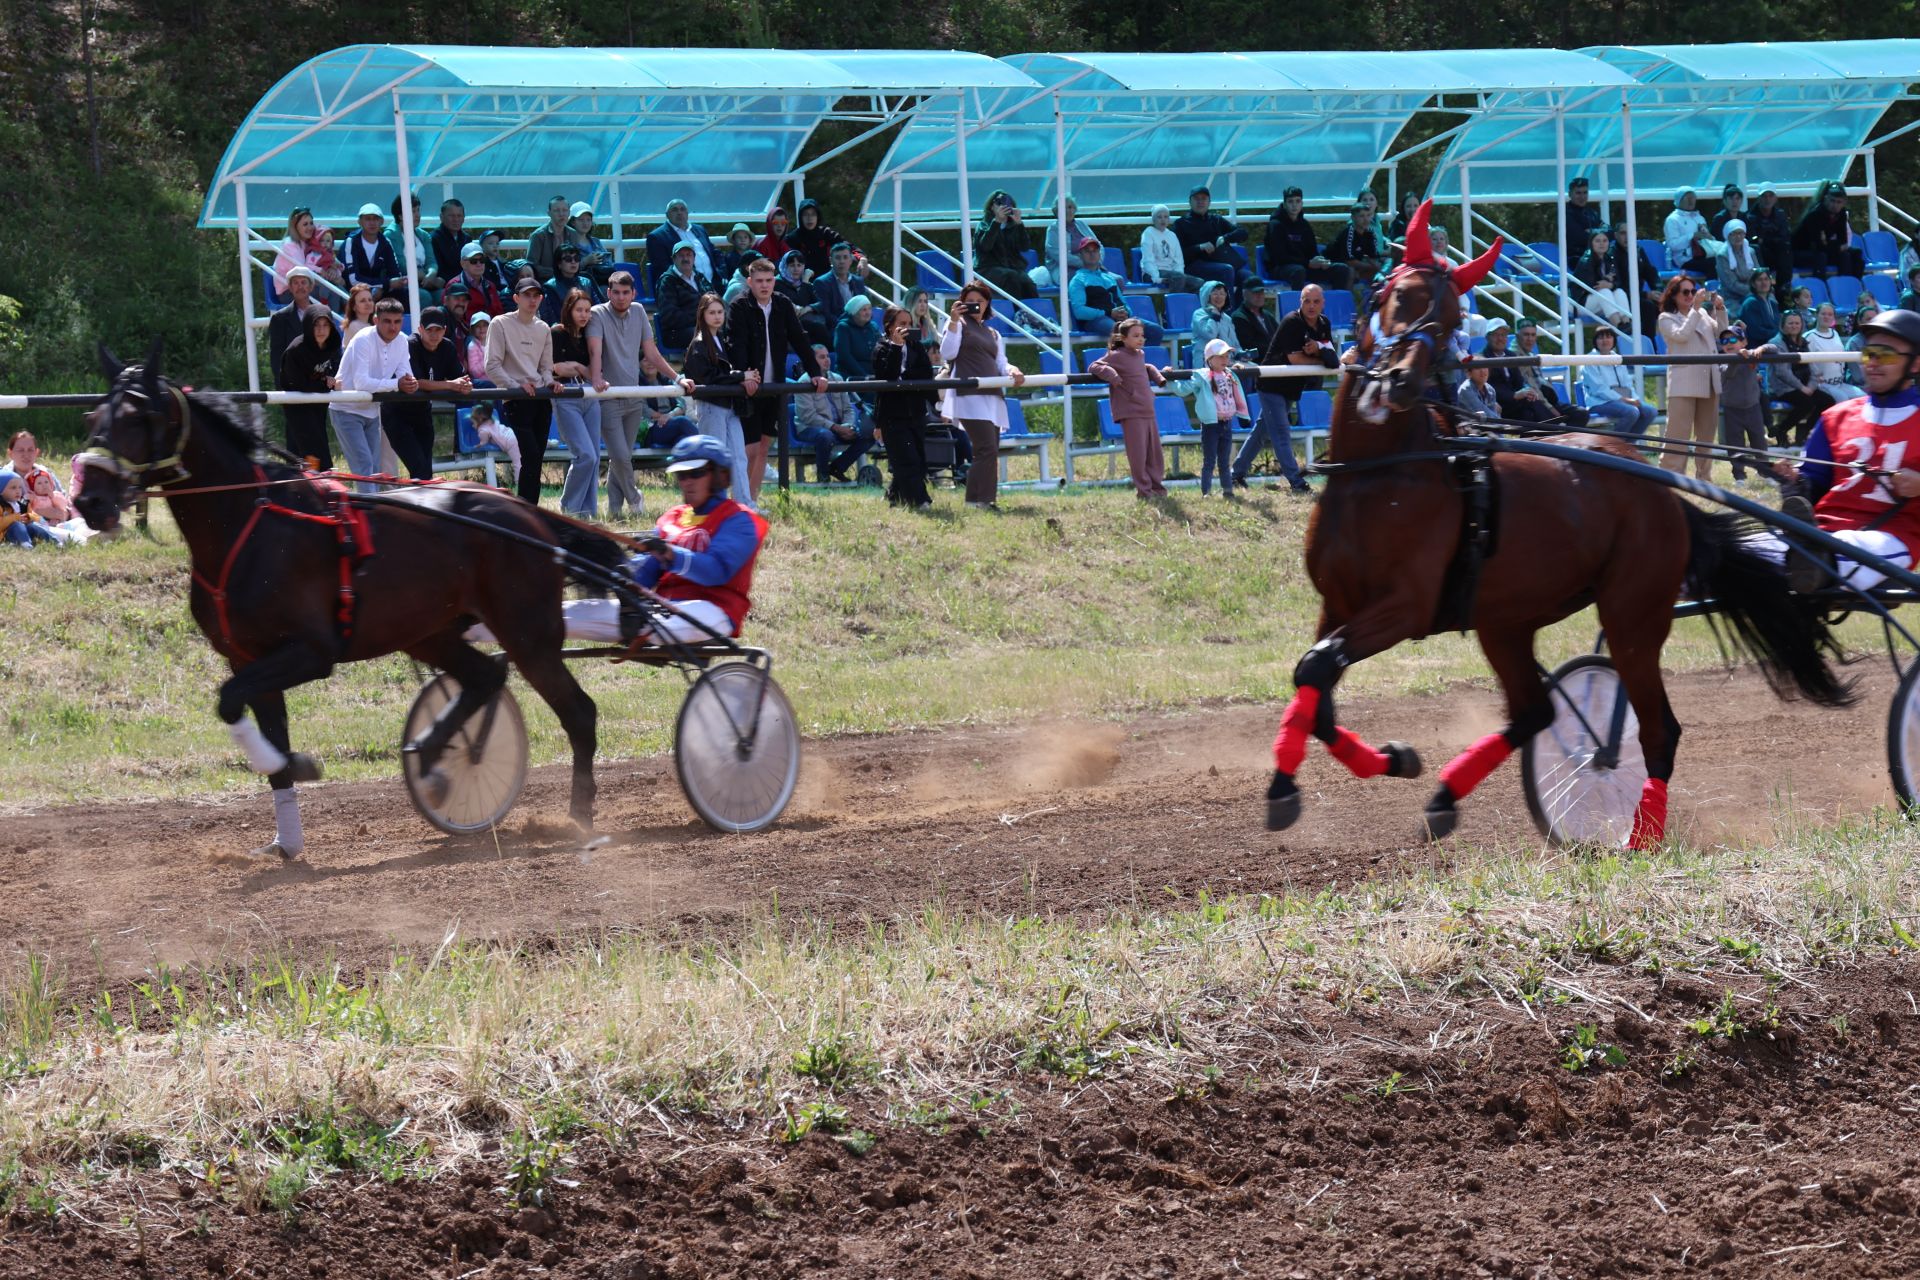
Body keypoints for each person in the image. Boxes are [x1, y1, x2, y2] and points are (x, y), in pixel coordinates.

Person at [555, 435, 769, 649]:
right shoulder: (671, 518)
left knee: (646, 625)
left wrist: (669, 553)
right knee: (556, 616)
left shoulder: (739, 520)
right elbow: (643, 576)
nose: (687, 481)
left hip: (714, 610)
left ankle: (639, 628)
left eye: (695, 473)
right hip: (661, 608)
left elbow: (716, 570)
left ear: (720, 476)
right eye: (681, 475)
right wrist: (616, 569)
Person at [1762, 309, 1920, 591]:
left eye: (1887, 355)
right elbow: (1816, 482)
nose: (1873, 363)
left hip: (1890, 536)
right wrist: (1795, 482)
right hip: (1820, 529)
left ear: (1916, 363)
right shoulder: (1835, 417)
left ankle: (1808, 562)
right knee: (1739, 549)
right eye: (1869, 354)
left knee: (1833, 553)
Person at [728, 257, 829, 501]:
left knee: (764, 447)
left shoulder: (783, 304)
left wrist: (816, 372)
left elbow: (800, 340)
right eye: (759, 281)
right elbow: (736, 344)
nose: (764, 285)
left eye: (769, 280)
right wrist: (744, 376)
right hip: (749, 388)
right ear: (749, 281)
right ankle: (739, 501)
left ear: (775, 280)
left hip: (775, 388)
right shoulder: (739, 305)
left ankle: (751, 500)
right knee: (749, 449)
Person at [588, 269, 680, 522]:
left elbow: (651, 352)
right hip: (607, 395)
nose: (620, 297)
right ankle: (635, 498)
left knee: (622, 458)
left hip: (633, 395)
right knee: (618, 456)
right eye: (615, 292)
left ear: (633, 293)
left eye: (625, 292)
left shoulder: (639, 311)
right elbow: (595, 350)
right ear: (608, 293)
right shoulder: (597, 313)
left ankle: (615, 512)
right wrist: (596, 377)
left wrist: (677, 378)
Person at [939, 281, 1027, 511]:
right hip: (968, 395)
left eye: (979, 301)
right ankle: (982, 501)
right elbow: (947, 352)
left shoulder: (994, 333)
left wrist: (1012, 370)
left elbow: (1001, 362)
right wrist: (955, 321)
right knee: (986, 447)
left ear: (987, 303)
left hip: (992, 395)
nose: (975, 305)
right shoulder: (956, 324)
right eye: (970, 302)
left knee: (988, 450)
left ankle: (978, 501)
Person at [485, 277, 558, 504]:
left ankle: (529, 510)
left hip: (540, 398)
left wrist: (550, 382)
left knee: (536, 458)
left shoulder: (544, 328)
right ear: (516, 298)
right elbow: (491, 365)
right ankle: (525, 510)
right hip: (516, 399)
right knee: (531, 455)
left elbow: (546, 368)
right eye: (527, 295)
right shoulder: (499, 323)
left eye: (536, 295)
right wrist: (515, 386)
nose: (532, 299)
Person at [332, 297, 417, 490]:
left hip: (372, 411)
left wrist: (410, 384)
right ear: (376, 320)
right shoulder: (363, 338)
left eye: (397, 322)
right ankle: (370, 515)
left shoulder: (402, 341)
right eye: (387, 321)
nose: (393, 327)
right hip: (346, 409)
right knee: (364, 466)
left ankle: (371, 514)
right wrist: (399, 383)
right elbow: (362, 383)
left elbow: (407, 376)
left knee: (374, 471)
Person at [681, 293, 756, 498]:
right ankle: (715, 503)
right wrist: (741, 376)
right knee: (713, 459)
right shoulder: (698, 344)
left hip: (729, 406)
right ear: (702, 315)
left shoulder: (720, 340)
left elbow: (720, 374)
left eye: (720, 312)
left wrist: (741, 377)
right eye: (712, 312)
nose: (717, 316)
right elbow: (708, 376)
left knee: (739, 457)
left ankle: (744, 504)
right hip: (711, 407)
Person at [1657, 277, 1729, 480]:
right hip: (1684, 382)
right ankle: (1669, 478)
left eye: (1692, 291)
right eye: (1685, 292)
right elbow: (1681, 336)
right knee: (1677, 435)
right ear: (1674, 295)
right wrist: (1696, 310)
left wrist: (1720, 308)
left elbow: (1722, 333)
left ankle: (1704, 479)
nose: (1690, 296)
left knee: (1706, 436)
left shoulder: (1702, 313)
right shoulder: (1666, 318)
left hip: (1709, 380)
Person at [1089, 318, 1170, 500]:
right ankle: (1144, 491)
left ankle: (1158, 488)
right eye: (1135, 336)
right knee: (1138, 454)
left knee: (1154, 453)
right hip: (1131, 412)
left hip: (1147, 409)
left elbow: (1145, 367)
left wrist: (1158, 375)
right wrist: (1112, 375)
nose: (1140, 339)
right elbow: (1095, 366)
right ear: (1123, 338)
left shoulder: (1139, 354)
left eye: (1142, 335)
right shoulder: (1116, 355)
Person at [871, 305, 936, 509]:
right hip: (893, 413)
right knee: (907, 458)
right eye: (902, 324)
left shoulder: (916, 347)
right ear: (890, 327)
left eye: (909, 324)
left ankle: (894, 496)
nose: (907, 328)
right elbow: (887, 375)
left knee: (916, 455)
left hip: (915, 411)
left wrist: (906, 377)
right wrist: (897, 347)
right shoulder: (881, 348)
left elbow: (925, 373)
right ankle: (920, 500)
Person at [545, 290, 603, 516]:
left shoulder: (590, 335)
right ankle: (569, 510)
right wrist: (578, 368)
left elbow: (592, 373)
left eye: (587, 310)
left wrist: (577, 367)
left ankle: (588, 513)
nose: (584, 315)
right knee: (585, 455)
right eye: (579, 309)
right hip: (566, 397)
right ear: (569, 309)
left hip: (588, 395)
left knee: (595, 457)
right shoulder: (556, 333)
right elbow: (554, 368)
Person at [1171, 338, 1248, 497]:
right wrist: (1171, 378)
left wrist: (1238, 367)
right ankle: (1206, 492)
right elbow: (1183, 389)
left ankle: (1228, 492)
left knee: (1224, 462)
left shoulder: (1229, 374)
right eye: (1220, 356)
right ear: (1209, 359)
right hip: (1211, 425)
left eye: (1226, 356)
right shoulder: (1202, 376)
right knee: (1209, 461)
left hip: (1227, 423)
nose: (1224, 360)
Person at [794, 345, 873, 482]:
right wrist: (836, 427)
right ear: (812, 360)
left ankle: (837, 468)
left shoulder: (837, 378)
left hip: (838, 426)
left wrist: (848, 425)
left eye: (828, 356)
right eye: (822, 357)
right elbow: (808, 417)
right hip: (809, 428)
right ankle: (823, 475)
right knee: (826, 435)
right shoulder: (804, 382)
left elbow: (848, 408)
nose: (827, 360)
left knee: (869, 434)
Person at [277, 306, 341, 471]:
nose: (321, 330)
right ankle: (319, 477)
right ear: (308, 326)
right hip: (297, 402)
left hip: (318, 401)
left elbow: (335, 366)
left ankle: (310, 479)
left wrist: (332, 379)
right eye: (316, 325)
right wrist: (325, 383)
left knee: (318, 440)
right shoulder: (296, 350)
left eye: (325, 325)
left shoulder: (332, 344)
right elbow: (297, 384)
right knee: (311, 445)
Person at [1068, 237, 1163, 342]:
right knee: (1121, 331)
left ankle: (1141, 357)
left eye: (1095, 251)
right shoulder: (1077, 281)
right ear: (1080, 255)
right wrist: (1108, 313)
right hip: (1097, 319)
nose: (1092, 254)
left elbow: (1123, 302)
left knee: (1155, 330)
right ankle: (1128, 357)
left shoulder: (1109, 278)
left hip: (1117, 318)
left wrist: (1126, 313)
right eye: (1087, 251)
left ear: (1099, 254)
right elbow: (1079, 311)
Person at [1263, 188, 1350, 294]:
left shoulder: (1304, 225)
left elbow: (1312, 250)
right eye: (1290, 201)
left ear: (1302, 203)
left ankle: (1337, 306)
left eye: (1298, 201)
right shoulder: (1275, 225)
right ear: (1284, 204)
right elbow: (1280, 257)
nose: (1294, 205)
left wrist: (1320, 261)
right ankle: (1298, 308)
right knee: (1298, 271)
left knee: (1341, 269)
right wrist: (1308, 263)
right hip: (1280, 268)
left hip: (1304, 267)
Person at [1173, 186, 1250, 304]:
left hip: (1219, 263)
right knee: (1226, 270)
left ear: (1209, 202)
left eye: (1203, 199)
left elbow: (1243, 233)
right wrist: (1199, 247)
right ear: (1190, 202)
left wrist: (1225, 238)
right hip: (1194, 266)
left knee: (1249, 278)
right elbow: (1178, 254)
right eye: (1196, 199)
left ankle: (1239, 314)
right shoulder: (1181, 224)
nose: (1200, 202)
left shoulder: (1216, 220)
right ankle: (1228, 313)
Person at [1715, 324, 1770, 481]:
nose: (1728, 344)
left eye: (1733, 339)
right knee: (1735, 445)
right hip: (1732, 409)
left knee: (1759, 442)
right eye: (1724, 341)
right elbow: (1728, 373)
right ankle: (1739, 476)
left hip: (1753, 407)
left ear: (1744, 342)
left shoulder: (1752, 355)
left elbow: (1774, 347)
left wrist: (1762, 349)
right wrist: (1737, 359)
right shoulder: (1722, 361)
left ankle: (1765, 472)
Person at [1578, 327, 1655, 436]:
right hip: (1600, 402)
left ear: (1614, 340)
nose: (1605, 341)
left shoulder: (1618, 358)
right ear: (1595, 341)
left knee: (1650, 411)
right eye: (1601, 338)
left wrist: (1634, 399)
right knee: (1631, 412)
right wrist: (1625, 400)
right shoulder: (1589, 360)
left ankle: (1628, 445)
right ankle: (1614, 446)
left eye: (1608, 337)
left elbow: (1628, 384)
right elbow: (1599, 390)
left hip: (1623, 401)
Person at [1770, 309, 1830, 446]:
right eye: (1790, 323)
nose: (1794, 326)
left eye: (1797, 323)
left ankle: (1805, 430)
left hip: (1804, 386)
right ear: (1783, 325)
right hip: (1784, 388)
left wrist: (1811, 386)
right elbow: (1782, 373)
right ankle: (1781, 429)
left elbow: (1813, 368)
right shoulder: (1776, 343)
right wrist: (1802, 387)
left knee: (1827, 401)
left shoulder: (1803, 342)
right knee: (1807, 403)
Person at [1513, 321, 1588, 428]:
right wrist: (1551, 409)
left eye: (1533, 335)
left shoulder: (1531, 355)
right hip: (1533, 402)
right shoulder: (1515, 357)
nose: (1530, 339)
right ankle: (1561, 438)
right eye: (1526, 335)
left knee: (1581, 414)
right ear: (1517, 336)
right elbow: (1532, 389)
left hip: (1546, 400)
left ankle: (1565, 438)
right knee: (1556, 420)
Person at [267, 266, 333, 386]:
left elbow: (332, 349)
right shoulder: (279, 319)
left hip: (322, 386)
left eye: (304, 282)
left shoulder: (324, 314)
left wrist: (331, 378)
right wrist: (283, 384)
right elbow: (277, 357)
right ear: (290, 288)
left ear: (311, 287)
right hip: (293, 386)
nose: (300, 286)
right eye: (296, 283)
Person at [1794, 180, 1865, 279]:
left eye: (1838, 202)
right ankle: (1820, 286)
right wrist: (1835, 247)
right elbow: (1817, 245)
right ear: (1825, 199)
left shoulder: (1841, 214)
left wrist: (1834, 246)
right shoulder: (1815, 215)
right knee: (1821, 257)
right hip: (1802, 251)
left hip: (1825, 249)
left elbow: (1843, 241)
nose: (1835, 205)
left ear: (1844, 202)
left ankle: (1852, 285)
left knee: (1854, 254)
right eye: (1832, 201)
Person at [974, 190, 1036, 300]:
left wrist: (1019, 224)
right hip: (987, 269)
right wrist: (997, 222)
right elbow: (985, 246)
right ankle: (1018, 314)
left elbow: (1025, 247)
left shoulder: (1013, 225)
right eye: (999, 203)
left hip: (1011, 269)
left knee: (1027, 282)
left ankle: (1034, 315)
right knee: (1010, 277)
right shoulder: (984, 225)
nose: (1003, 206)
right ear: (991, 207)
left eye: (1007, 203)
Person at [647, 200, 718, 292]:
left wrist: (721, 274)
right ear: (667, 215)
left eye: (682, 209)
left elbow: (715, 253)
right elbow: (663, 267)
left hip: (714, 285)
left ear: (687, 213)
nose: (679, 212)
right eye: (674, 210)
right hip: (683, 290)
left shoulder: (700, 230)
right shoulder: (657, 237)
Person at [1325, 202, 1383, 311]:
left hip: (1355, 265)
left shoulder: (1370, 233)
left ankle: (1375, 306)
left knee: (1377, 273)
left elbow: (1372, 257)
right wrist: (1371, 266)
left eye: (1368, 215)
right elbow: (1349, 261)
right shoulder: (1348, 233)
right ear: (1353, 218)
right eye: (1361, 216)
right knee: (1350, 271)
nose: (1366, 219)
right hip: (1332, 265)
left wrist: (1378, 268)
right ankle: (1346, 307)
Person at [656, 242, 714, 350]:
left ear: (694, 258)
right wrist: (701, 319)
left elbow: (715, 300)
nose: (685, 258)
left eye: (688, 255)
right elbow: (670, 316)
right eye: (681, 255)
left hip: (705, 325)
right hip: (677, 332)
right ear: (674, 258)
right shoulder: (667, 281)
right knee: (706, 335)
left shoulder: (699, 277)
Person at [386, 192, 442, 303]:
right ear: (400, 216)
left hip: (423, 282)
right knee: (424, 297)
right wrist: (424, 276)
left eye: (418, 210)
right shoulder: (391, 234)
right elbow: (401, 265)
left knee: (445, 296)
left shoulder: (423, 235)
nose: (418, 215)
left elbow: (431, 262)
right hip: (402, 284)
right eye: (413, 211)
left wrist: (431, 274)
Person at [1032, 196, 1095, 292]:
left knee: (1116, 280)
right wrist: (1085, 263)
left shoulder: (1082, 224)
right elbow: (1059, 255)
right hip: (1064, 270)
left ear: (1074, 209)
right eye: (1063, 207)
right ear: (1056, 211)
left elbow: (1098, 245)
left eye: (1070, 207)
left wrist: (1096, 261)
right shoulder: (1053, 229)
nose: (1068, 211)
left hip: (1090, 267)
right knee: (1085, 281)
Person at [342, 202, 404, 299]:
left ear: (382, 221)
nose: (372, 222)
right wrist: (383, 285)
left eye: (376, 218)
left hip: (378, 291)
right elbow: (353, 280)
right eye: (367, 219)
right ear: (359, 222)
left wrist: (381, 288)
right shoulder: (351, 242)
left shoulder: (385, 242)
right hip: (351, 292)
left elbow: (395, 275)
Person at [1806, 302, 1864, 404]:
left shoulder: (1835, 333)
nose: (1826, 317)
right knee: (1843, 400)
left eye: (1830, 314)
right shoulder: (1809, 336)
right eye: (1823, 314)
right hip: (1821, 384)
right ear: (1816, 315)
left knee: (1862, 397)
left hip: (1839, 383)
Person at [1139, 204, 1202, 294]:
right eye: (1159, 217)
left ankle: (1190, 306)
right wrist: (1155, 277)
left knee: (1199, 283)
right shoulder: (1148, 233)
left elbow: (1178, 260)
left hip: (1172, 274)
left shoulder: (1172, 235)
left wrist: (1180, 274)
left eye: (1165, 217)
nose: (1163, 219)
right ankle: (1176, 306)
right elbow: (1147, 259)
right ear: (1153, 219)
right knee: (1178, 278)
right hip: (1152, 273)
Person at [774, 250, 828, 348]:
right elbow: (799, 301)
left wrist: (808, 308)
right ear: (785, 266)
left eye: (799, 265)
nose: (796, 269)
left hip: (805, 323)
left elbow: (822, 303)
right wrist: (805, 281)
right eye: (792, 265)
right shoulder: (777, 283)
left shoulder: (803, 283)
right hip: (786, 325)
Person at [789, 199, 856, 278]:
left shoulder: (826, 233)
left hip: (826, 281)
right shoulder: (793, 238)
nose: (809, 218)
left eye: (813, 214)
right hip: (802, 282)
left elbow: (847, 246)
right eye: (806, 214)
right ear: (801, 217)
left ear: (818, 216)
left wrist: (862, 259)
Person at [813, 242, 870, 331]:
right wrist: (848, 326)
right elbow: (827, 314)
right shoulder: (821, 282)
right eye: (838, 258)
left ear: (851, 260)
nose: (842, 261)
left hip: (860, 328)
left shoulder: (858, 281)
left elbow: (867, 308)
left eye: (845, 257)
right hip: (838, 329)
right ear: (831, 261)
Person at [540, 245, 603, 323]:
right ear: (559, 264)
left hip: (588, 325)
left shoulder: (587, 282)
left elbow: (598, 308)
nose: (573, 262)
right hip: (563, 328)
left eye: (577, 259)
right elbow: (553, 317)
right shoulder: (550, 287)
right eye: (568, 259)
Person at [833, 296, 883, 386]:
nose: (868, 313)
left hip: (873, 375)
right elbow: (844, 356)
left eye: (869, 309)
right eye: (863, 310)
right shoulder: (843, 327)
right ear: (854, 312)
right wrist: (864, 376)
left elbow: (881, 350)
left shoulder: (873, 326)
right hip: (852, 376)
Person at [0, 472, 57, 547]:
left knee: (33, 526)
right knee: (17, 525)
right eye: (13, 488)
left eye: (20, 487)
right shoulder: (1, 505)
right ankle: (25, 543)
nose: (18, 491)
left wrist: (29, 517)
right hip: (5, 534)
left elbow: (35, 516)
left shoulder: (22, 503)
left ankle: (53, 541)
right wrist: (16, 517)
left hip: (24, 530)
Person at [526, 194, 572, 287]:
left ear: (569, 212)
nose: (561, 214)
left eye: (564, 210)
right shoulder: (538, 235)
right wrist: (559, 272)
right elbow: (532, 266)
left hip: (570, 281)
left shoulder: (573, 234)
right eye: (557, 210)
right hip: (546, 283)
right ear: (549, 213)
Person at [1713, 221, 1762, 306]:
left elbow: (1758, 274)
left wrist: (1762, 287)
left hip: (1753, 293)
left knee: (1770, 301)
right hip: (1731, 296)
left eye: (1741, 233)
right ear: (1728, 236)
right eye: (1734, 234)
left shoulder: (1750, 251)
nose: (1738, 236)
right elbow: (1732, 284)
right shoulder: (1722, 255)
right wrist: (1754, 291)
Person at [565, 201, 613, 283]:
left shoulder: (596, 241)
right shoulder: (567, 244)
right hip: (581, 283)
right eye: (581, 220)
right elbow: (565, 269)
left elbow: (609, 263)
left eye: (588, 220)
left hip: (602, 280)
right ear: (573, 222)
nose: (585, 223)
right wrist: (586, 261)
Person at [1188, 281, 1237, 355]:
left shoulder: (1227, 319)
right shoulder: (1198, 314)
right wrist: (1214, 316)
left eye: (1222, 294)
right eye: (1215, 293)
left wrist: (1240, 353)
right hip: (1205, 360)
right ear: (1206, 296)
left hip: (1226, 360)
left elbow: (1235, 343)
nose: (1219, 297)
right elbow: (1210, 335)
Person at [1563, 177, 1604, 264]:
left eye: (1585, 193)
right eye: (1578, 193)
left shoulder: (1592, 213)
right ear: (1570, 194)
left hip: (1595, 257)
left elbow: (1609, 232)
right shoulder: (1565, 214)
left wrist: (1592, 232)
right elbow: (1580, 238)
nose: (1582, 197)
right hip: (1575, 259)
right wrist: (1598, 233)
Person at [430, 197, 468, 284]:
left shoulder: (466, 239)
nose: (456, 220)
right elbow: (438, 270)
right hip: (447, 284)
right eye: (451, 216)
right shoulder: (434, 239)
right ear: (441, 217)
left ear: (463, 218)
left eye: (459, 216)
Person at [1739, 269, 1782, 346]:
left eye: (1766, 279)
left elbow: (1777, 325)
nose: (1764, 282)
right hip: (1756, 348)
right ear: (1753, 284)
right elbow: (1755, 331)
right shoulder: (1750, 303)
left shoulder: (1773, 303)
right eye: (1759, 280)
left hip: (1774, 345)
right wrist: (1780, 335)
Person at [464, 312, 492, 382]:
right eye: (477, 326)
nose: (481, 328)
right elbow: (474, 372)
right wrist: (489, 360)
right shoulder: (472, 346)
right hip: (482, 381)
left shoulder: (495, 343)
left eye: (485, 325)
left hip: (497, 378)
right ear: (472, 329)